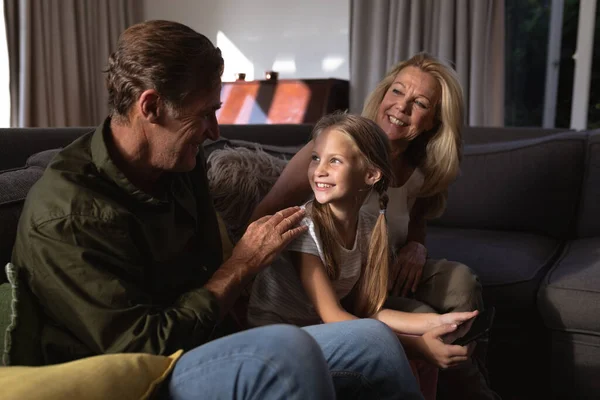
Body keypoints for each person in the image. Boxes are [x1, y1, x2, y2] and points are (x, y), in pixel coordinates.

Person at [11, 20, 423, 400]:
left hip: (205, 343)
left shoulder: (178, 166)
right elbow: (143, 348)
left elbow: (212, 269)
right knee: (287, 348)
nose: (216, 131)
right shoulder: (69, 213)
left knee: (373, 340)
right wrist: (241, 265)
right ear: (151, 107)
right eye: (205, 112)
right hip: (140, 372)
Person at [250, 54, 500, 399]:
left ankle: (462, 381)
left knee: (458, 288)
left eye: (420, 103)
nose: (402, 107)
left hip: (371, 280)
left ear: (433, 122)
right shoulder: (311, 217)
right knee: (413, 330)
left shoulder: (379, 215)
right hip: (312, 313)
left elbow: (374, 300)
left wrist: (436, 321)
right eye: (397, 92)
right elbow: (265, 218)